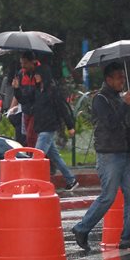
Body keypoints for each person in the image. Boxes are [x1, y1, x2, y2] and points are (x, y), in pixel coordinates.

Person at [70, 64, 130, 252]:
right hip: (109, 154)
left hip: (125, 153)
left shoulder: (118, 97)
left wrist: (126, 104)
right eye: (118, 77)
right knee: (108, 196)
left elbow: (122, 122)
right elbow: (110, 123)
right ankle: (81, 228)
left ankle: (128, 237)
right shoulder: (100, 99)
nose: (121, 81)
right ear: (108, 79)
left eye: (122, 78)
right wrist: (124, 105)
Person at [27, 63, 79, 192]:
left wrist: (70, 126)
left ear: (44, 75)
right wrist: (16, 88)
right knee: (55, 157)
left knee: (37, 157)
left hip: (48, 128)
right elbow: (26, 99)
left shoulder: (52, 91)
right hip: (41, 127)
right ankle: (71, 179)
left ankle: (33, 184)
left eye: (38, 74)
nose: (36, 77)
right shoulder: (38, 90)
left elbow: (62, 108)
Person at [11, 53, 42, 146]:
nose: (23, 66)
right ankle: (47, 159)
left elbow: (40, 95)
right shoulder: (21, 74)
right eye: (21, 63)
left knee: (31, 137)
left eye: (25, 63)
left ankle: (33, 157)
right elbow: (22, 99)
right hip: (26, 110)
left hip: (38, 111)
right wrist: (16, 89)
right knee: (29, 138)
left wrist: (38, 85)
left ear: (33, 62)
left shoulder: (41, 73)